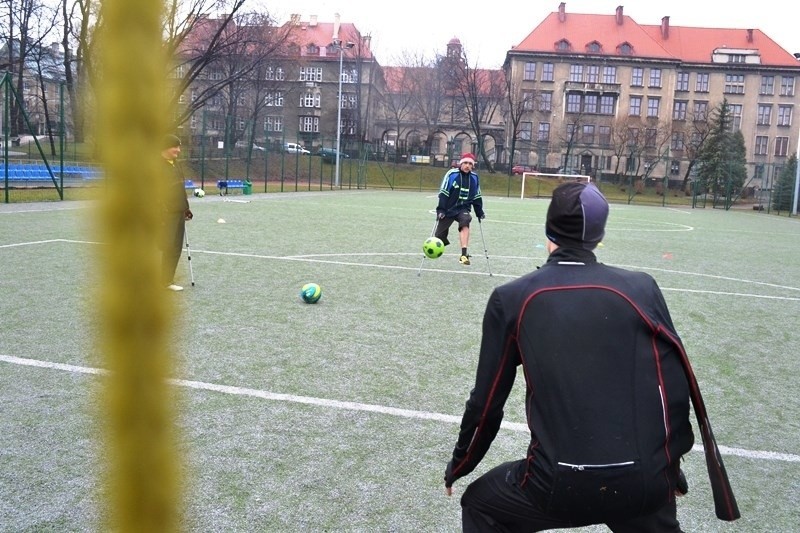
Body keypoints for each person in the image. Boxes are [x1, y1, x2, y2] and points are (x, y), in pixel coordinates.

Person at [444, 182, 739, 531]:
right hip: (644, 481)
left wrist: (460, 464)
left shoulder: (512, 298)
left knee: (480, 505)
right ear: (599, 236)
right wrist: (669, 466)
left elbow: (486, 404)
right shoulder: (642, 289)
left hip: (557, 484)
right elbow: (673, 386)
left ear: (547, 228)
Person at [435, 153, 485, 265]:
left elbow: (477, 196)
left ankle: (463, 254)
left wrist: (479, 212)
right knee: (439, 236)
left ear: (473, 166)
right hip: (448, 209)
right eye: (465, 163)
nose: (467, 166)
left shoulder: (474, 178)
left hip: (463, 209)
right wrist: (441, 210)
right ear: (461, 164)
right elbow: (444, 192)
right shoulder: (452, 174)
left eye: (470, 164)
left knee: (465, 221)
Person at [161, 134, 193, 292]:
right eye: (176, 147)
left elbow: (181, 190)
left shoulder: (176, 165)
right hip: (165, 214)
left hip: (179, 211)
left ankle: (166, 280)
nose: (178, 150)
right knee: (165, 246)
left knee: (175, 248)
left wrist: (185, 208)